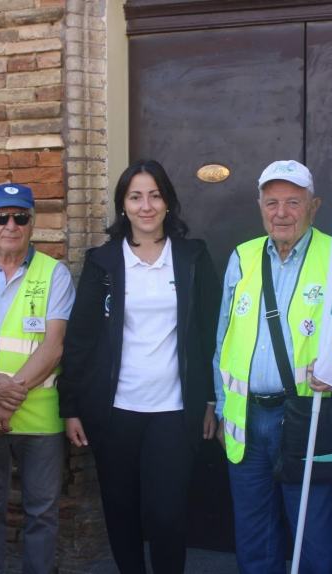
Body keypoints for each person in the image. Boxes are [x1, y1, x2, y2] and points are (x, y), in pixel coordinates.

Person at [58, 159, 219, 573]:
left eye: (154, 195)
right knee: (121, 510)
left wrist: (211, 400)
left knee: (167, 514)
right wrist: (71, 406)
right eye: (135, 197)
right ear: (123, 206)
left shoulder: (192, 257)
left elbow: (210, 333)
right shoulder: (103, 262)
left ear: (168, 203)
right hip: (115, 412)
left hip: (174, 411)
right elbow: (80, 338)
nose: (145, 205)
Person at [214, 160, 332, 574]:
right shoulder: (243, 258)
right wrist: (219, 405)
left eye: (293, 202)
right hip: (245, 420)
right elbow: (223, 340)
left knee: (312, 533)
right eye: (272, 203)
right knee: (254, 533)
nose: (281, 213)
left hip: (305, 417)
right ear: (260, 206)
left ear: (313, 206)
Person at [0, 183, 75, 574]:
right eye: (1, 216)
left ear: (32, 222)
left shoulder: (53, 273)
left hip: (38, 421)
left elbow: (53, 347)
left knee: (41, 516)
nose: (11, 225)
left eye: (20, 216)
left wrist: (4, 400)